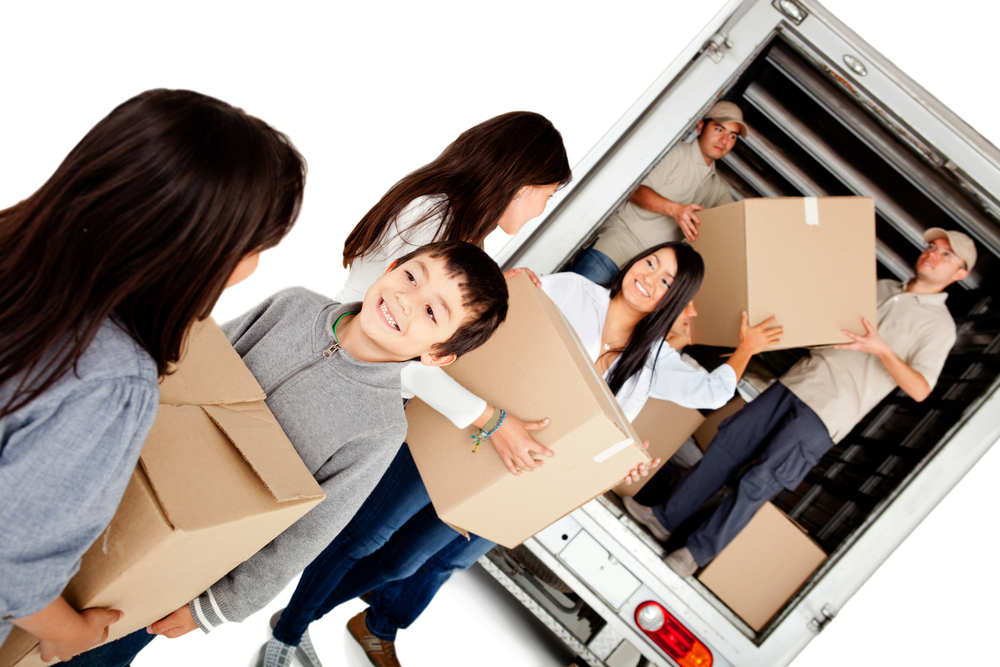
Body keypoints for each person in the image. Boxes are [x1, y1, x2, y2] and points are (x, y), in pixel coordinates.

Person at [268, 242, 782, 667]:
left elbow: (708, 395)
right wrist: (513, 287)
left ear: (675, 300)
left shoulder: (651, 366)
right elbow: (498, 337)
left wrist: (742, 353)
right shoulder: (571, 292)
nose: (650, 276)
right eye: (651, 262)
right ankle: (289, 631)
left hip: (506, 474)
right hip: (463, 432)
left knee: (401, 563)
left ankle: (299, 619)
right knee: (367, 536)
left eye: (666, 280)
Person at [62, 240, 510, 667]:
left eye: (433, 311)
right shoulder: (293, 306)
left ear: (438, 354)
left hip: (178, 558)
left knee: (92, 651)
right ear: (391, 269)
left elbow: (306, 536)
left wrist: (216, 607)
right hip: (118, 475)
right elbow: (194, 363)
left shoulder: (381, 431)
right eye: (413, 277)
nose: (408, 301)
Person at [0, 88, 306, 662]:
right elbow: (10, 569)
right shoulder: (111, 378)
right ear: (201, 249)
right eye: (258, 246)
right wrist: (73, 635)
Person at [625, 229, 974, 577]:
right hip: (795, 383)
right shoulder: (882, 287)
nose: (932, 254)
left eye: (946, 255)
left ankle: (694, 554)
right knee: (725, 447)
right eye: (932, 246)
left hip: (829, 412)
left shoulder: (939, 326)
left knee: (759, 482)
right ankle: (665, 518)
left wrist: (881, 348)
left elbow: (920, 389)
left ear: (960, 274)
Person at [572, 101, 747, 285]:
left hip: (646, 273)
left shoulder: (716, 187)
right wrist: (676, 210)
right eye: (719, 129)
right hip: (617, 247)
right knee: (565, 306)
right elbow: (634, 190)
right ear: (701, 127)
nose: (724, 140)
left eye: (732, 136)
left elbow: (738, 223)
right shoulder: (677, 153)